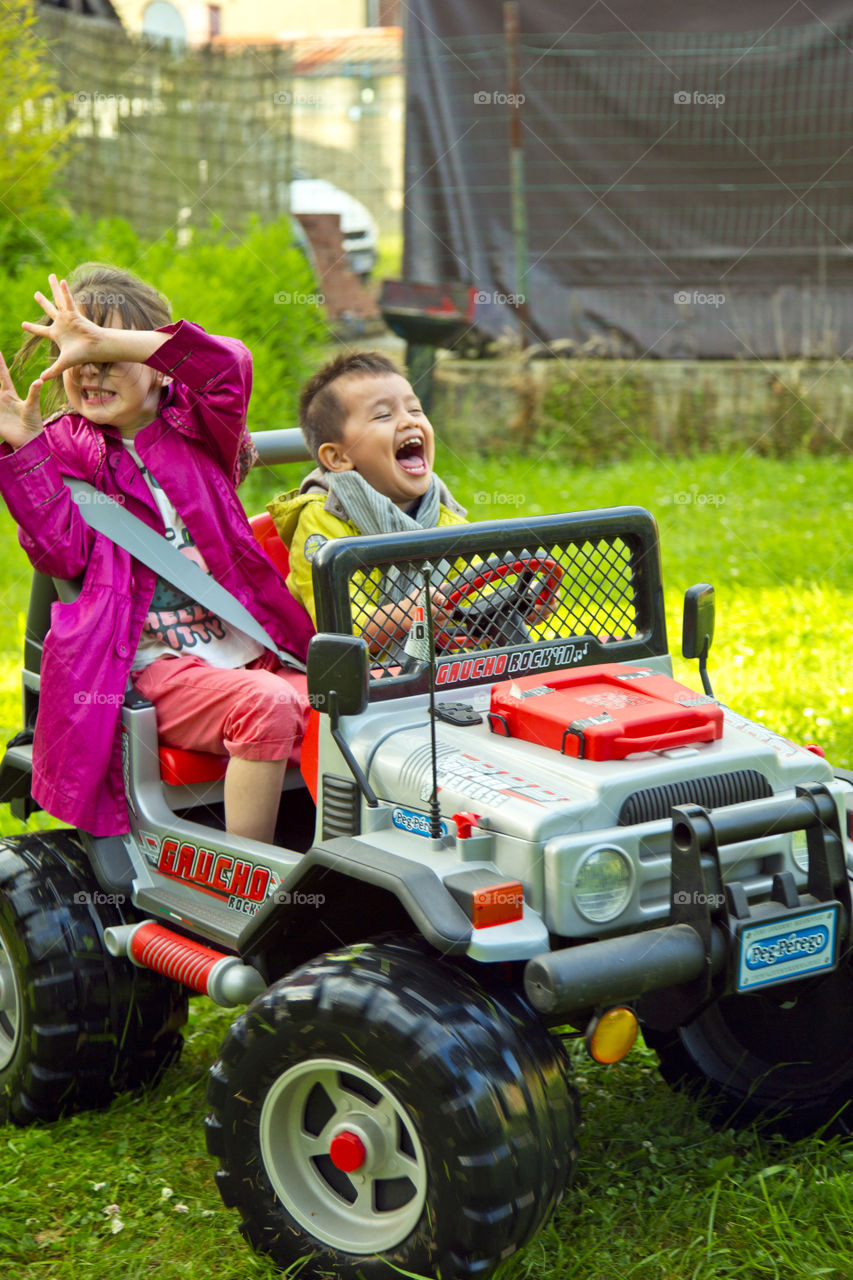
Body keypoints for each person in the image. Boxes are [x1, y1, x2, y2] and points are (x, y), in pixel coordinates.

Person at [0, 267, 314, 843]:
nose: (92, 372)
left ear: (156, 360)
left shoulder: (198, 427)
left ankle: (341, 857)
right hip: (148, 669)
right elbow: (57, 551)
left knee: (353, 710)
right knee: (267, 705)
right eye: (78, 359)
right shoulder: (64, 447)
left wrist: (110, 341)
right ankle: (249, 888)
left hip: (252, 651)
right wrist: (25, 454)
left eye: (110, 354)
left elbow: (228, 364)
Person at [268, 351, 467, 659]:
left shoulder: (446, 517)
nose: (408, 421)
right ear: (338, 458)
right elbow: (342, 630)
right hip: (344, 686)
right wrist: (412, 611)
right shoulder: (323, 523)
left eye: (415, 409)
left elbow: (468, 610)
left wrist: (513, 609)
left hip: (439, 676)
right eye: (383, 416)